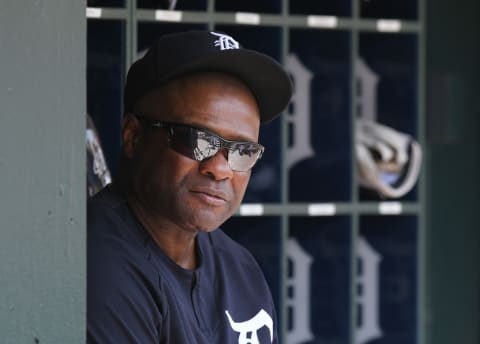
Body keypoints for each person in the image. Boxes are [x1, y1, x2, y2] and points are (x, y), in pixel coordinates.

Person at [87, 30, 292, 343]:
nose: (220, 169)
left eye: (242, 151)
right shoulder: (97, 263)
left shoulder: (239, 269)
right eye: (198, 140)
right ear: (133, 136)